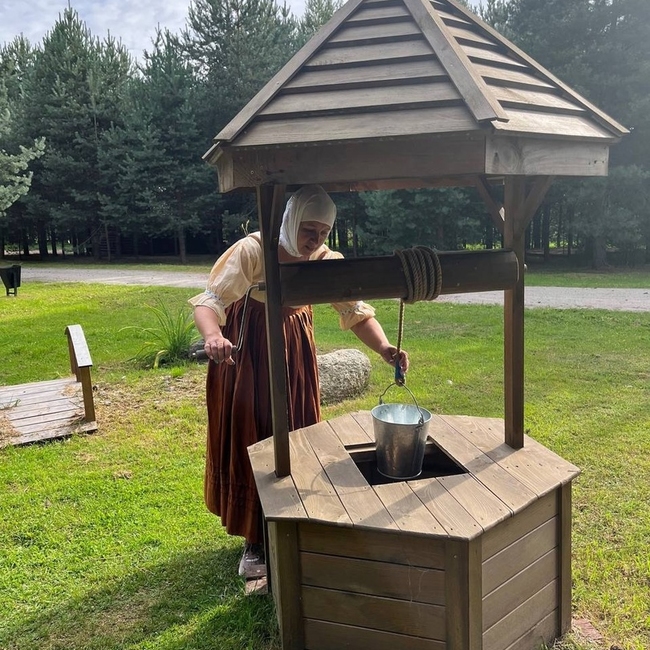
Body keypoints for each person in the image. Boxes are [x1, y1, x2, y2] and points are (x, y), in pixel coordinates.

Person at [190, 185, 409, 579]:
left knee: (298, 429)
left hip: (294, 347)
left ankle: (296, 519)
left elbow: (355, 310)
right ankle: (255, 539)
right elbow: (211, 301)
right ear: (290, 221)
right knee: (253, 431)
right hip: (247, 348)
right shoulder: (253, 251)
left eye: (324, 232)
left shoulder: (326, 261)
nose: (316, 240)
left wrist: (384, 348)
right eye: (309, 230)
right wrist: (213, 337)